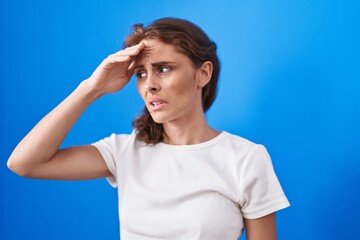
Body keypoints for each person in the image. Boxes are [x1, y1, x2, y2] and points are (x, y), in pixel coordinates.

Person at [7, 17, 290, 240]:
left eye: (164, 68)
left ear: (203, 73)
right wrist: (90, 89)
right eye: (141, 73)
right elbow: (24, 163)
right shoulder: (124, 151)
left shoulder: (246, 159)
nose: (150, 84)